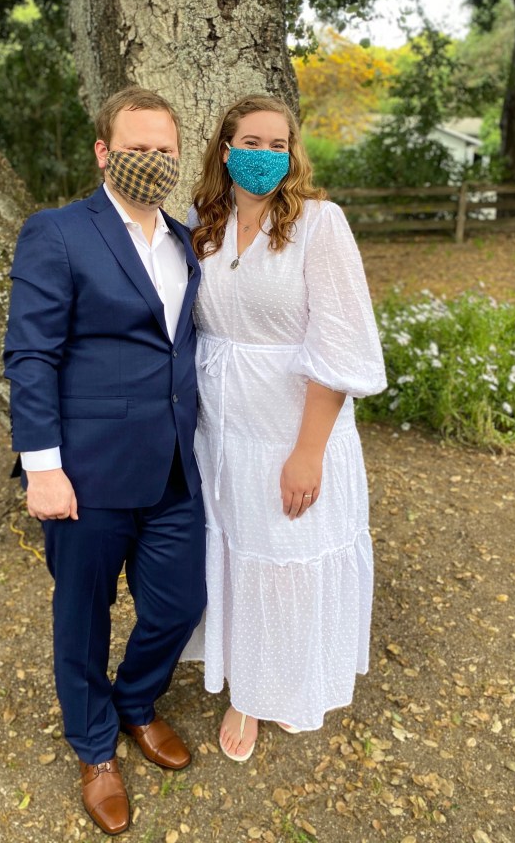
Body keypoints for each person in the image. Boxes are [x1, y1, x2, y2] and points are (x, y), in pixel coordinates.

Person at [4, 87, 205, 835]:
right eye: (136, 147)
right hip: (85, 472)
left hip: (174, 465)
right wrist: (42, 466)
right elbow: (30, 354)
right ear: (103, 151)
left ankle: (136, 701)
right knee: (82, 617)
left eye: (164, 149)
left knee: (180, 602)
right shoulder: (57, 232)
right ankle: (95, 748)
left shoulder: (185, 240)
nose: (152, 159)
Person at [181, 94, 386, 761]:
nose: (266, 155)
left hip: (292, 430)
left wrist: (308, 452)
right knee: (239, 554)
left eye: (279, 144)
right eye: (252, 142)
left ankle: (289, 684)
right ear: (226, 150)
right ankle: (246, 687)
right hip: (220, 432)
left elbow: (340, 343)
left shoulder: (319, 225)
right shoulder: (202, 224)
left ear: (293, 154)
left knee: (289, 558)